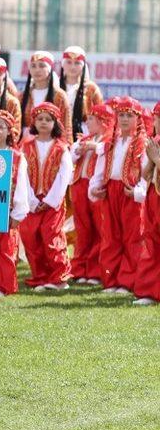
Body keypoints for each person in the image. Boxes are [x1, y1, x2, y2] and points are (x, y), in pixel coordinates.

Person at [89, 97, 147, 295]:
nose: (124, 119)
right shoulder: (110, 143)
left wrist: (139, 191)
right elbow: (99, 168)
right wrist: (95, 187)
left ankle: (127, 281)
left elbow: (146, 172)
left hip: (129, 193)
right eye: (121, 115)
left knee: (132, 237)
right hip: (110, 192)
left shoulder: (142, 144)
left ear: (138, 119)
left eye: (129, 115)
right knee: (110, 237)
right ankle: (111, 279)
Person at [20, 102, 72, 291]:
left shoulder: (61, 148)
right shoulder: (26, 146)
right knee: (31, 237)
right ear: (34, 122)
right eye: (40, 119)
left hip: (53, 201)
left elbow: (63, 176)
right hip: (32, 200)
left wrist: (50, 200)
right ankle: (41, 276)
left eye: (48, 120)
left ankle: (59, 278)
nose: (43, 123)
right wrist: (32, 201)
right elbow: (22, 175)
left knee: (52, 236)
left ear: (55, 123)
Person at [0, 109, 30, 298]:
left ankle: (4, 286)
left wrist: (18, 213)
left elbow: (21, 185)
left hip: (7, 209)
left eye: (0, 127)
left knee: (5, 249)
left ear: (9, 130)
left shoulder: (16, 156)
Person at [68, 104, 114, 285]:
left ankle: (94, 271)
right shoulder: (86, 138)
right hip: (80, 185)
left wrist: (93, 146)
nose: (87, 122)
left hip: (96, 187)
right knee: (82, 229)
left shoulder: (109, 138)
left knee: (98, 228)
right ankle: (80, 269)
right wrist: (78, 150)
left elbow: (106, 149)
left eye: (91, 119)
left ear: (103, 121)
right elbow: (70, 157)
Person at [132, 101, 160, 306]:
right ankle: (149, 290)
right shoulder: (154, 141)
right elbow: (145, 173)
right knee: (151, 242)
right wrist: (152, 160)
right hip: (153, 196)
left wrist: (157, 159)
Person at [19, 51, 72, 144]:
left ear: (50, 69)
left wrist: (66, 147)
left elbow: (66, 127)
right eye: (33, 66)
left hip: (52, 144)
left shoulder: (59, 96)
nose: (37, 70)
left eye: (42, 66)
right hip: (26, 144)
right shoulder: (23, 96)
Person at [59, 46, 103, 141]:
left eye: (77, 63)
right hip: (58, 133)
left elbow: (102, 115)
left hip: (84, 134)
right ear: (63, 64)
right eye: (69, 62)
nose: (73, 67)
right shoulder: (56, 87)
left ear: (83, 65)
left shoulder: (91, 88)